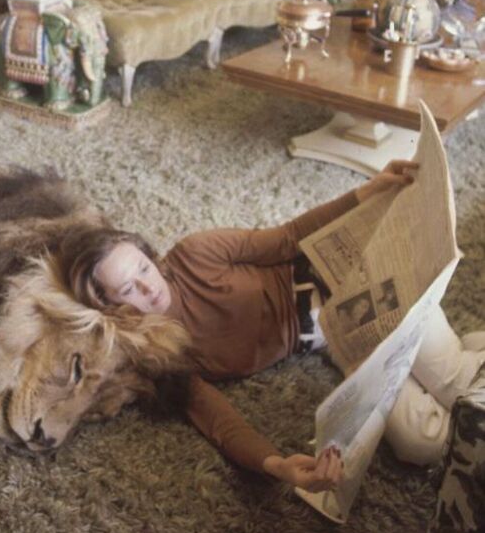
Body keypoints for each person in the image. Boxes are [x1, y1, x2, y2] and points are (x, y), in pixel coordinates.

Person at [60, 161, 485, 494]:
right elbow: (218, 421)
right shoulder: (160, 353)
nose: (148, 286)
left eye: (144, 266)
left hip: (352, 284)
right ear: (109, 305)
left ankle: (467, 358)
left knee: (454, 381)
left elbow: (289, 237)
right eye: (127, 288)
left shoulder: (196, 253)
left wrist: (366, 192)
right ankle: (473, 349)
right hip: (332, 341)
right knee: (423, 443)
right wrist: (277, 465)